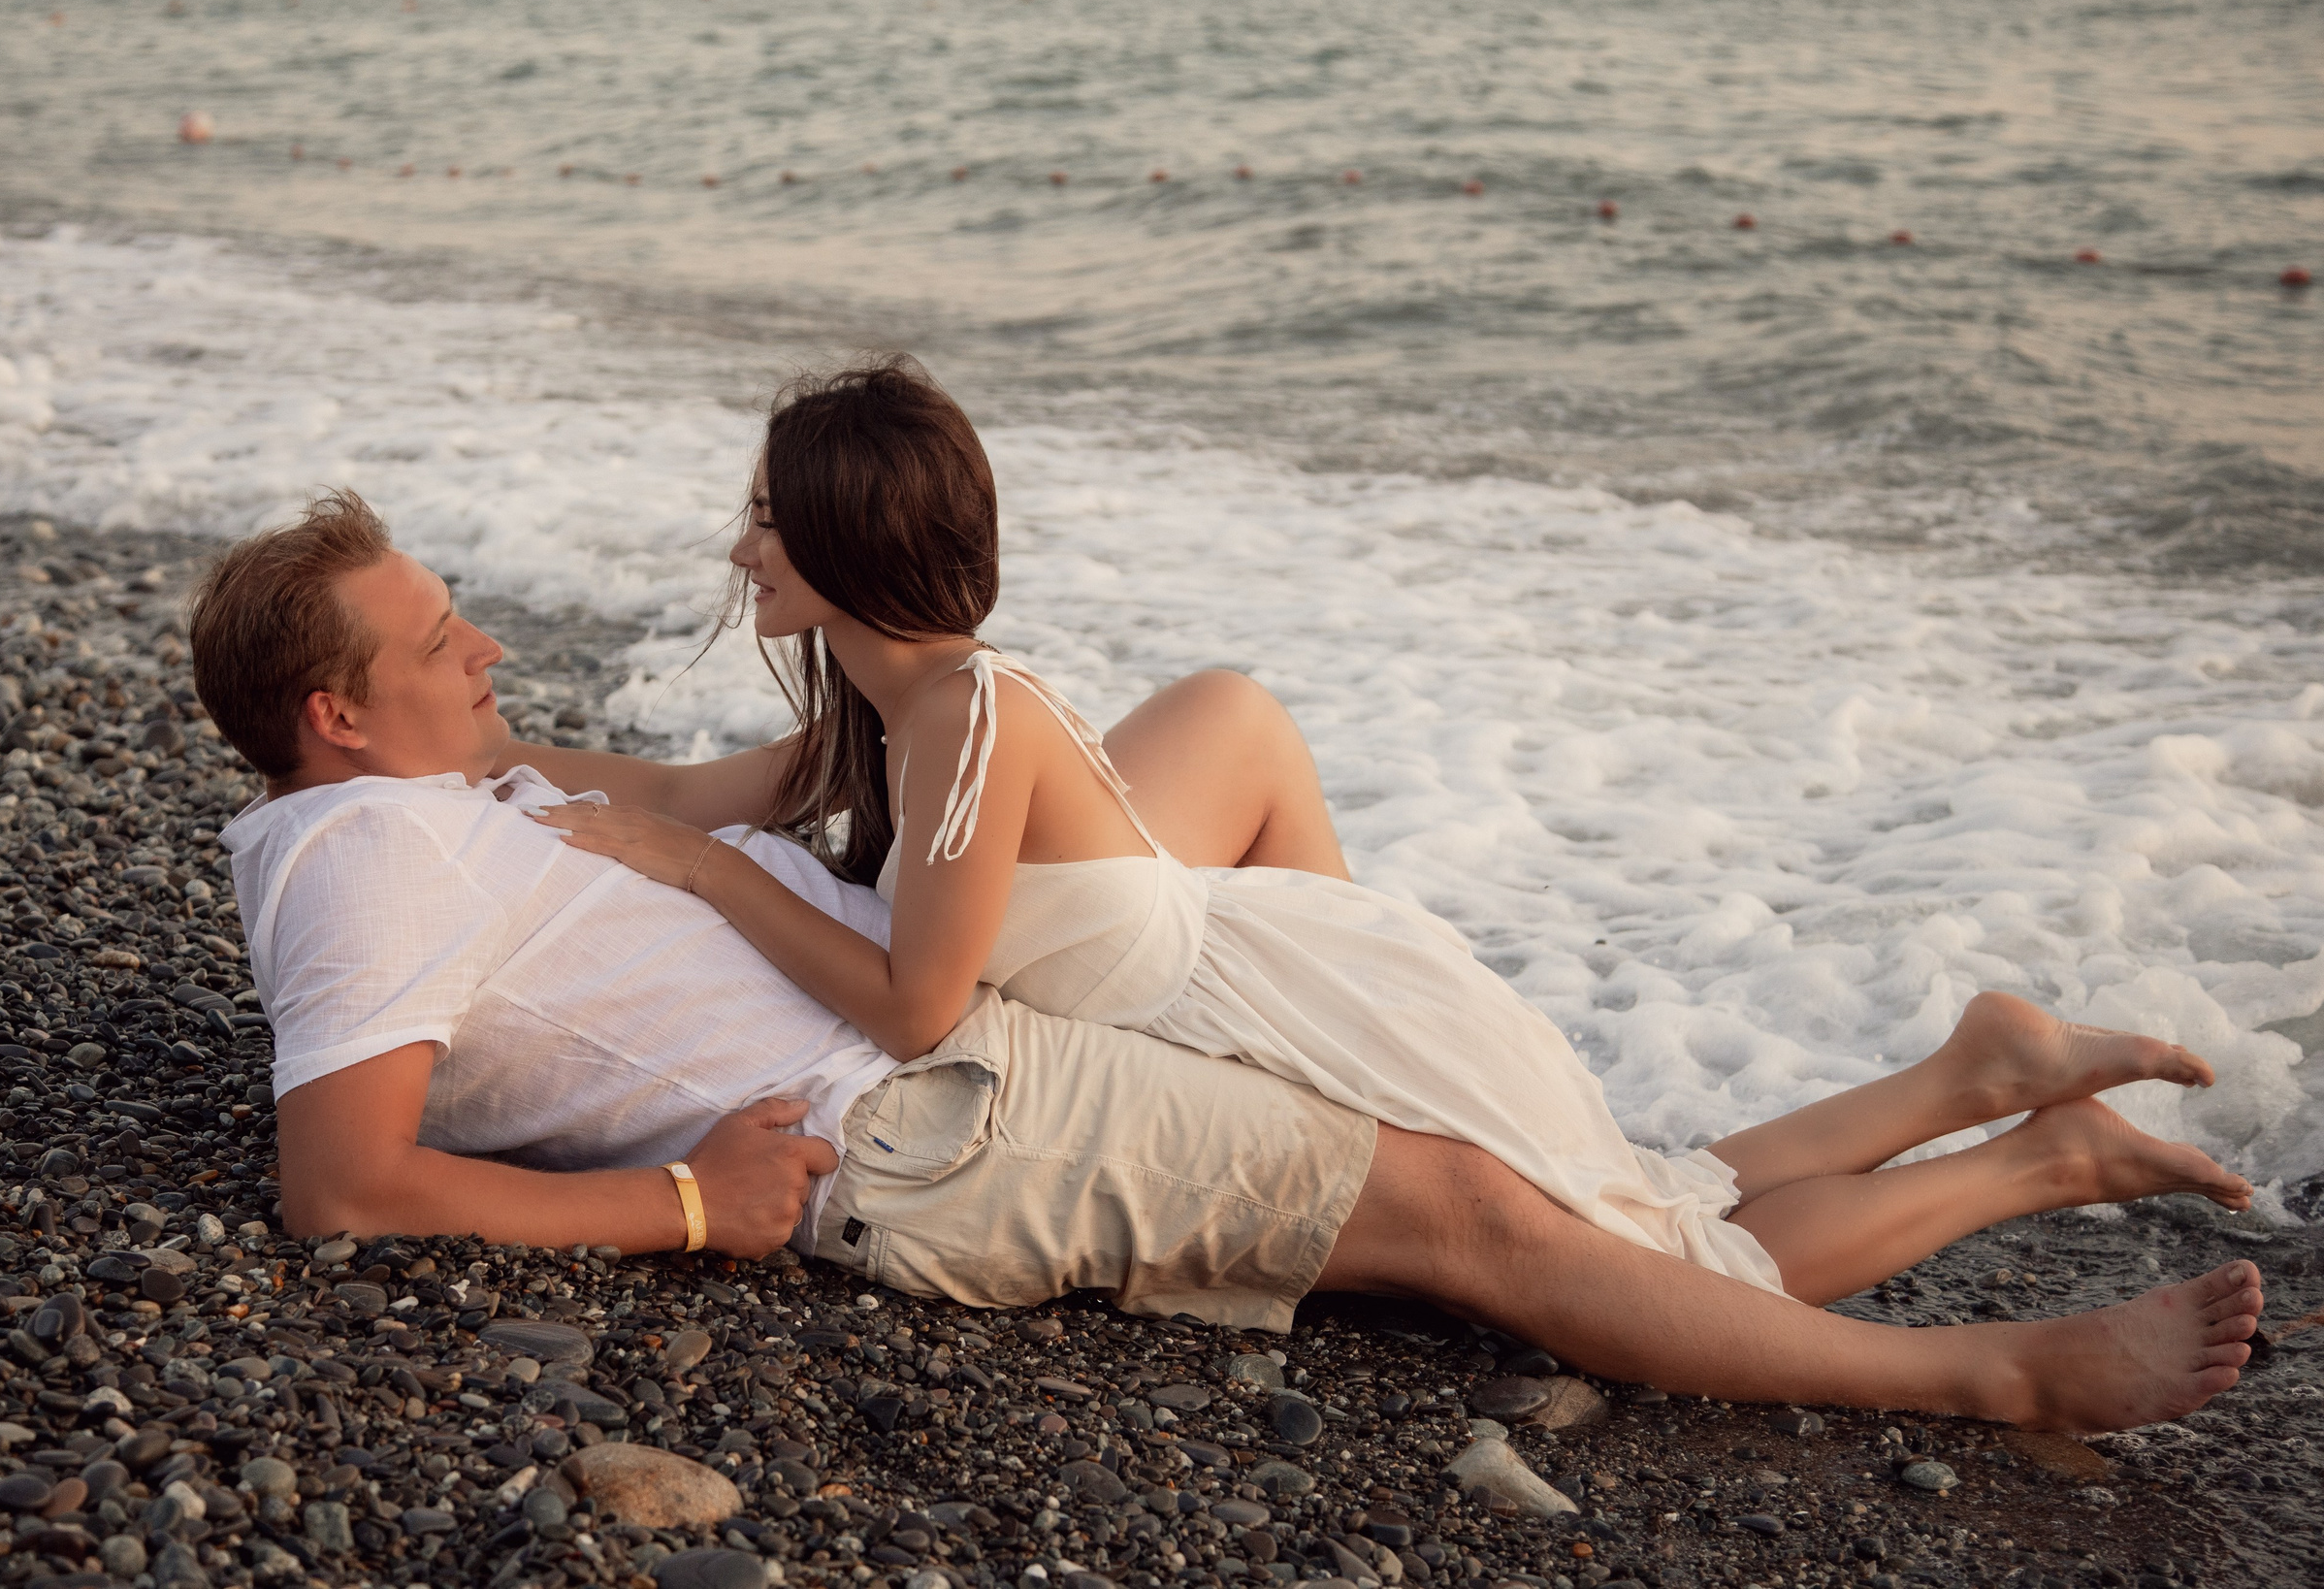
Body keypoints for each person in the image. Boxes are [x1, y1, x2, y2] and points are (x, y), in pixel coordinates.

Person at [197, 488, 2265, 1436]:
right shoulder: (352, 859)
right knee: (1482, 1208)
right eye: (435, 643)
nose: (484, 649)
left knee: (1486, 1138)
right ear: (337, 723)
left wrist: (590, 779)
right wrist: (678, 1205)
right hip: (921, 1112)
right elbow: (344, 1184)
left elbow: (651, 788)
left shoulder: (439, 792)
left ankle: (1987, 1130)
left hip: (956, 1015)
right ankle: (1987, 1344)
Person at [535, 358, 2253, 1309]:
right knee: (1636, 1192)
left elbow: (915, 1009)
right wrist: (457, 751)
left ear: (841, 537)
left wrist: (691, 879)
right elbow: (682, 794)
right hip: (1291, 968)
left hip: (1297, 1012)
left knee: (1670, 1256)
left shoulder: (963, 719)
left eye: (767, 513)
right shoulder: (887, 700)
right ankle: (1971, 1072)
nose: (742, 542)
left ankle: (2033, 1149)